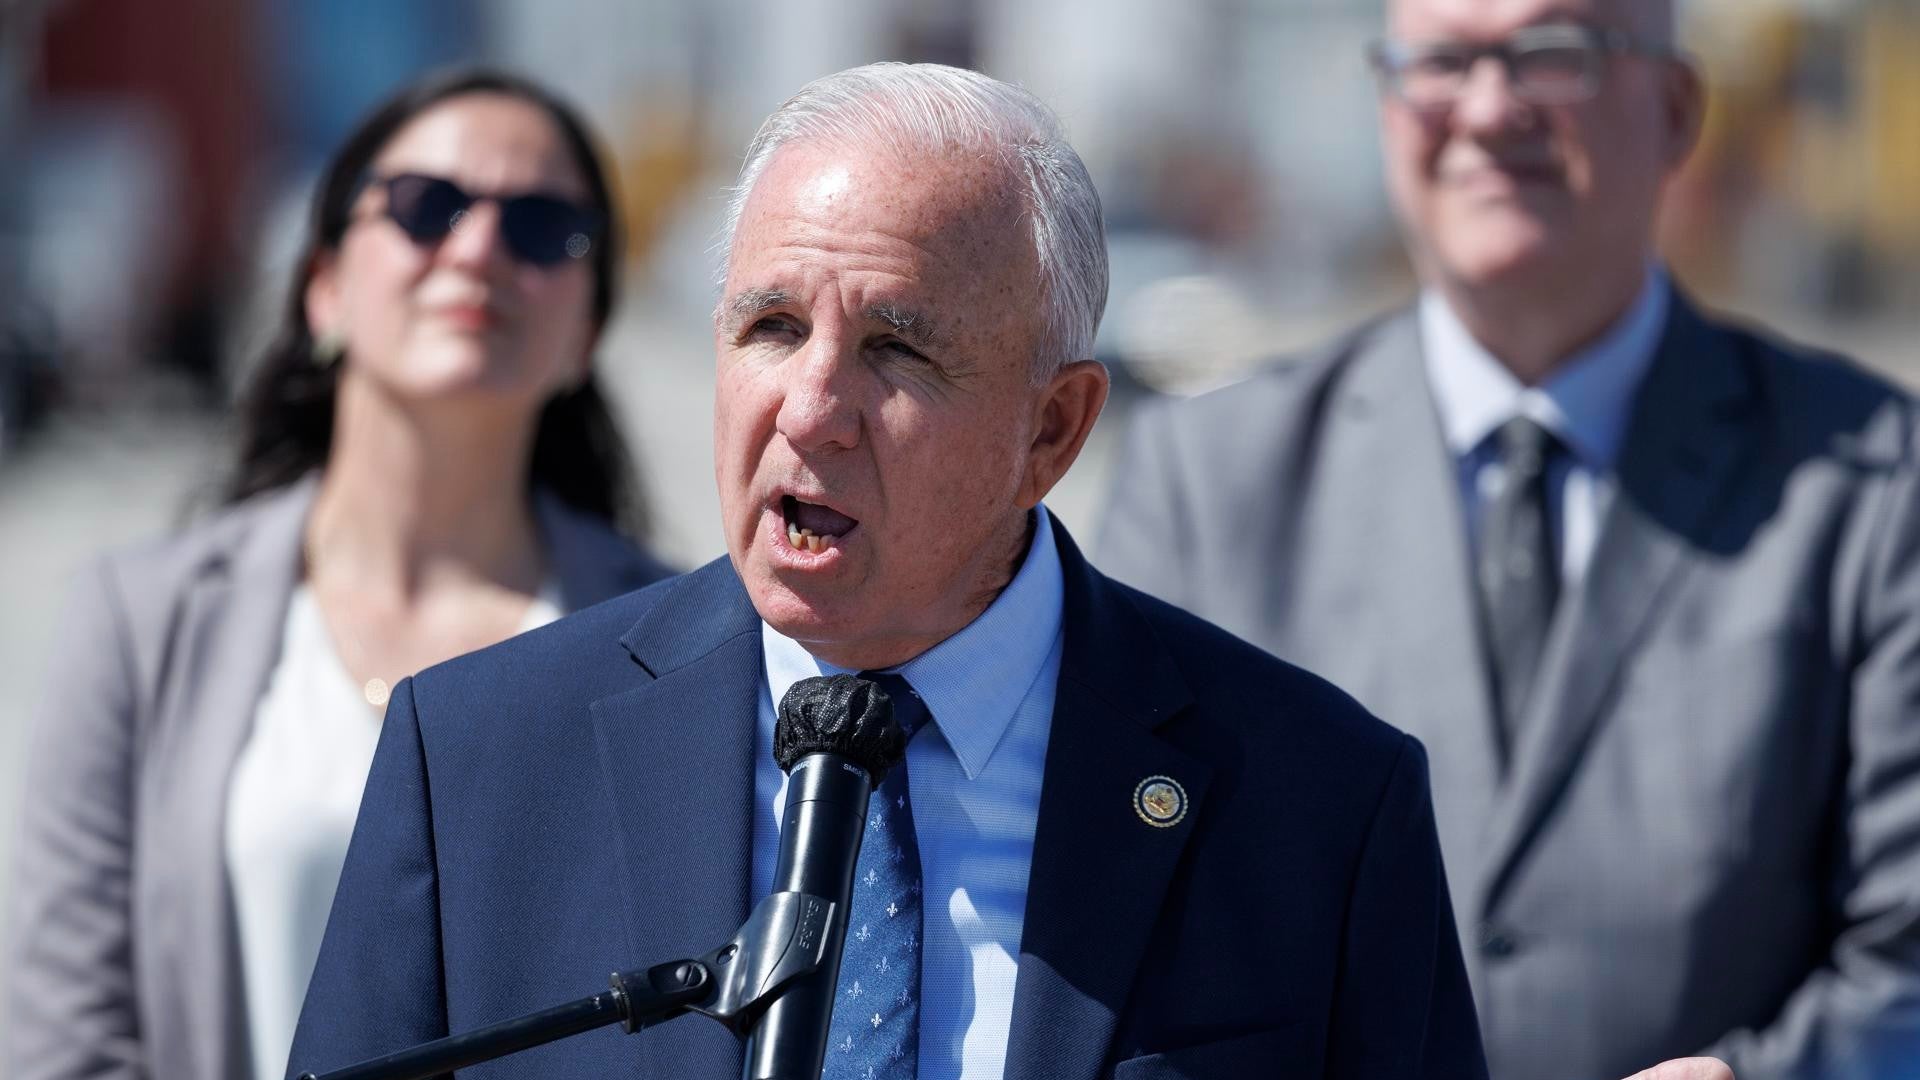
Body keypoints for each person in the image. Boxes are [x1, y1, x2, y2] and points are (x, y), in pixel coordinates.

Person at [285, 61, 1487, 1080]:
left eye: (895, 350)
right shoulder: (479, 764)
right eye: (768, 329)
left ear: (1053, 430)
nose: (811, 409)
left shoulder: (1319, 805)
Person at [1098, 0, 1920, 1077]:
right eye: (1442, 62)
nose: (1489, 110)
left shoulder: (1869, 482)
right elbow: (1116, 917)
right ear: (1387, 103)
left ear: (1676, 109)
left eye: (1553, 56)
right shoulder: (1209, 483)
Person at [6, 67, 674, 1080]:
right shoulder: (142, 622)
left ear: (587, 328)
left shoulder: (675, 638)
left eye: (544, 227)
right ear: (324, 281)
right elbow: (66, 1034)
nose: (479, 248)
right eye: (425, 207)